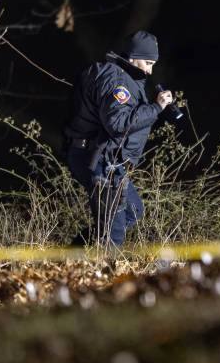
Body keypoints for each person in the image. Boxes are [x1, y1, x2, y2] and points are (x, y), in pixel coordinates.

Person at [65, 31, 173, 246]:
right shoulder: (117, 81)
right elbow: (119, 124)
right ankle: (105, 274)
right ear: (133, 56)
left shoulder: (125, 78)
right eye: (148, 62)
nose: (150, 70)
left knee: (133, 210)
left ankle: (73, 255)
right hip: (99, 159)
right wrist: (156, 107)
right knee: (113, 231)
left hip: (104, 158)